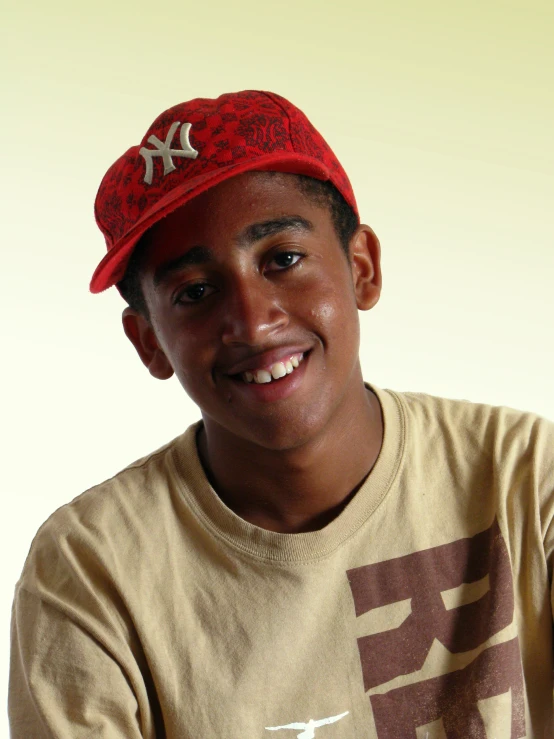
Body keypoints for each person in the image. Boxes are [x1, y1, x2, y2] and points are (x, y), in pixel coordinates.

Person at [8, 90, 554, 738]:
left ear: (361, 268)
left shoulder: (523, 473)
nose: (252, 318)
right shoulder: (88, 570)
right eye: (196, 292)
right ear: (149, 340)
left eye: (283, 259)